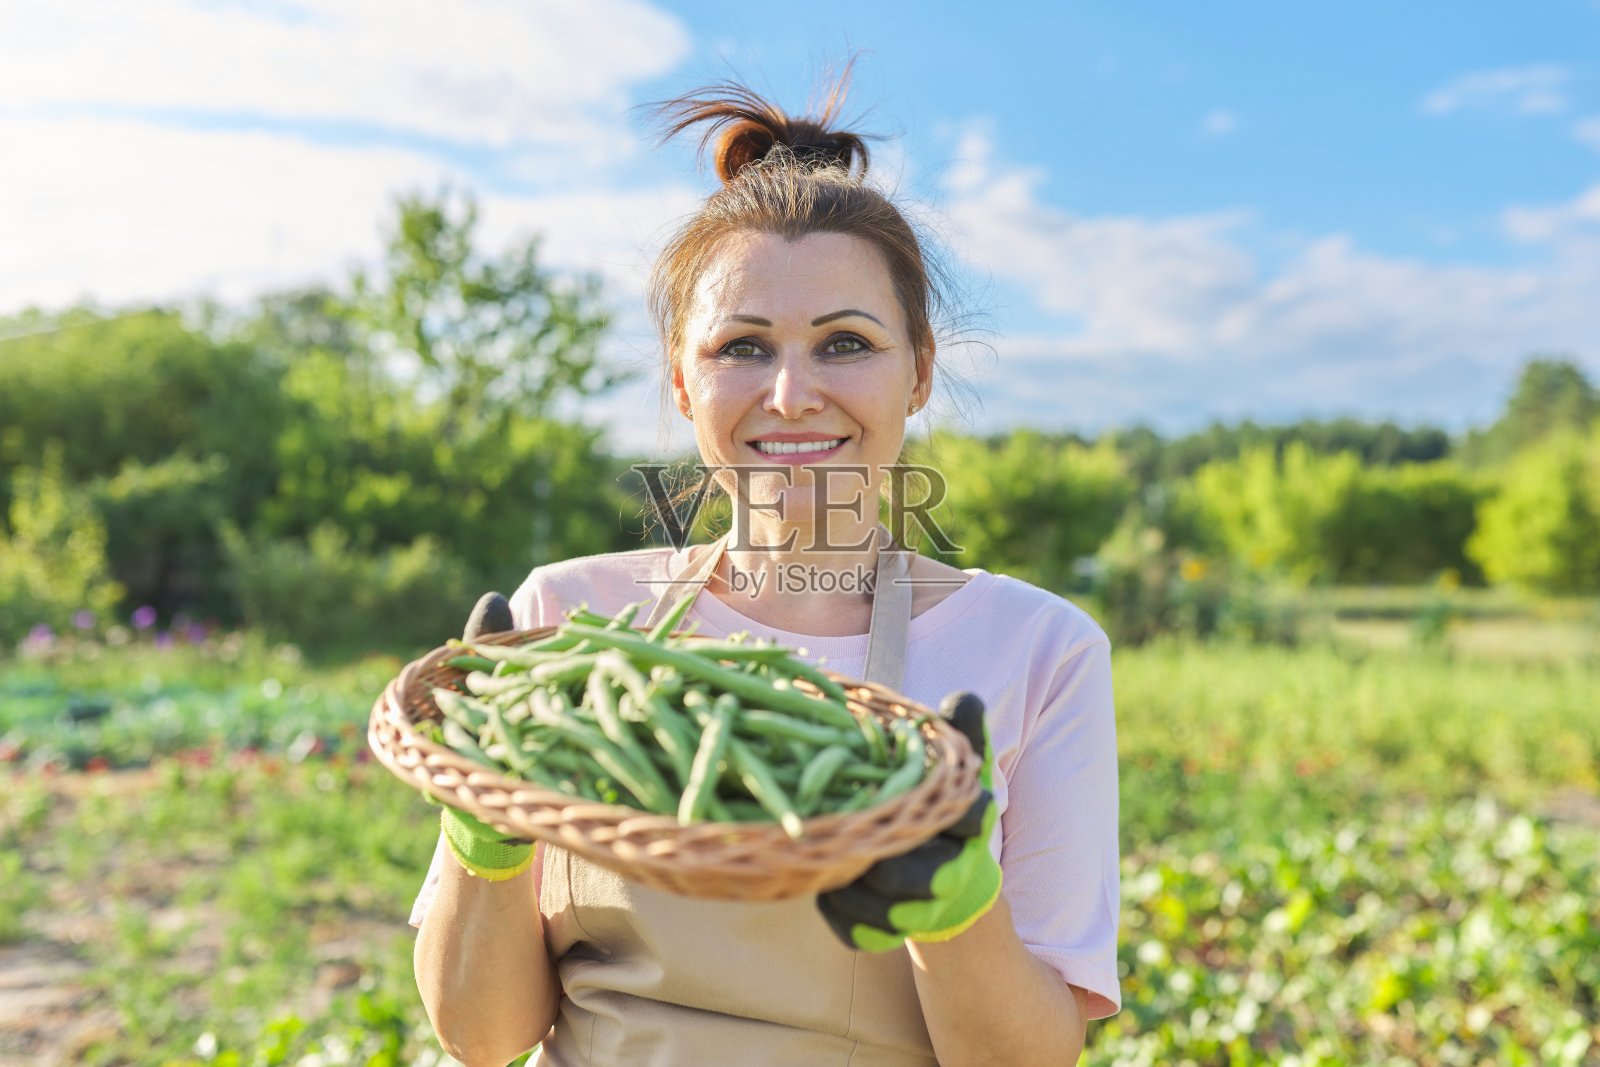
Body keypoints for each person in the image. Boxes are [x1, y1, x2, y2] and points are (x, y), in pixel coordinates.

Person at [408, 75, 1121, 1067]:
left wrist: (955, 906)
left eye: (845, 342)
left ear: (916, 369)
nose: (791, 394)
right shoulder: (567, 620)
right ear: (681, 377)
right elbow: (480, 1035)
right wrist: (485, 837)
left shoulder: (1038, 650)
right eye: (743, 346)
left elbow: (1030, 1056)